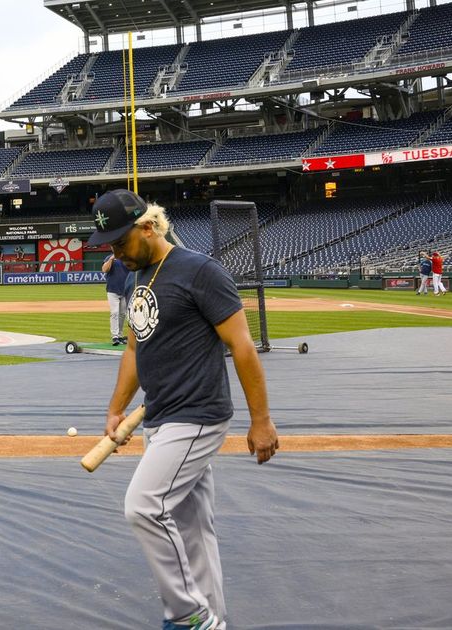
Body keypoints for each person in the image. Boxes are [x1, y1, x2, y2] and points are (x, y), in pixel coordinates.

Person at [87, 189, 279, 630]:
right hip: (160, 415)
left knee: (143, 506)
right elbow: (135, 349)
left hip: (196, 414)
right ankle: (214, 619)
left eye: (121, 242)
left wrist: (261, 420)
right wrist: (116, 409)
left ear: (149, 227)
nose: (116, 253)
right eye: (110, 246)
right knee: (193, 529)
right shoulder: (140, 276)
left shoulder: (200, 271)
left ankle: (189, 615)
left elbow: (243, 346)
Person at [101, 253, 131, 344]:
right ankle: (115, 336)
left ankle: (120, 335)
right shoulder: (110, 257)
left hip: (124, 290)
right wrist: (111, 259)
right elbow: (104, 270)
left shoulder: (127, 257)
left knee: (122, 314)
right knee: (114, 313)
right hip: (112, 290)